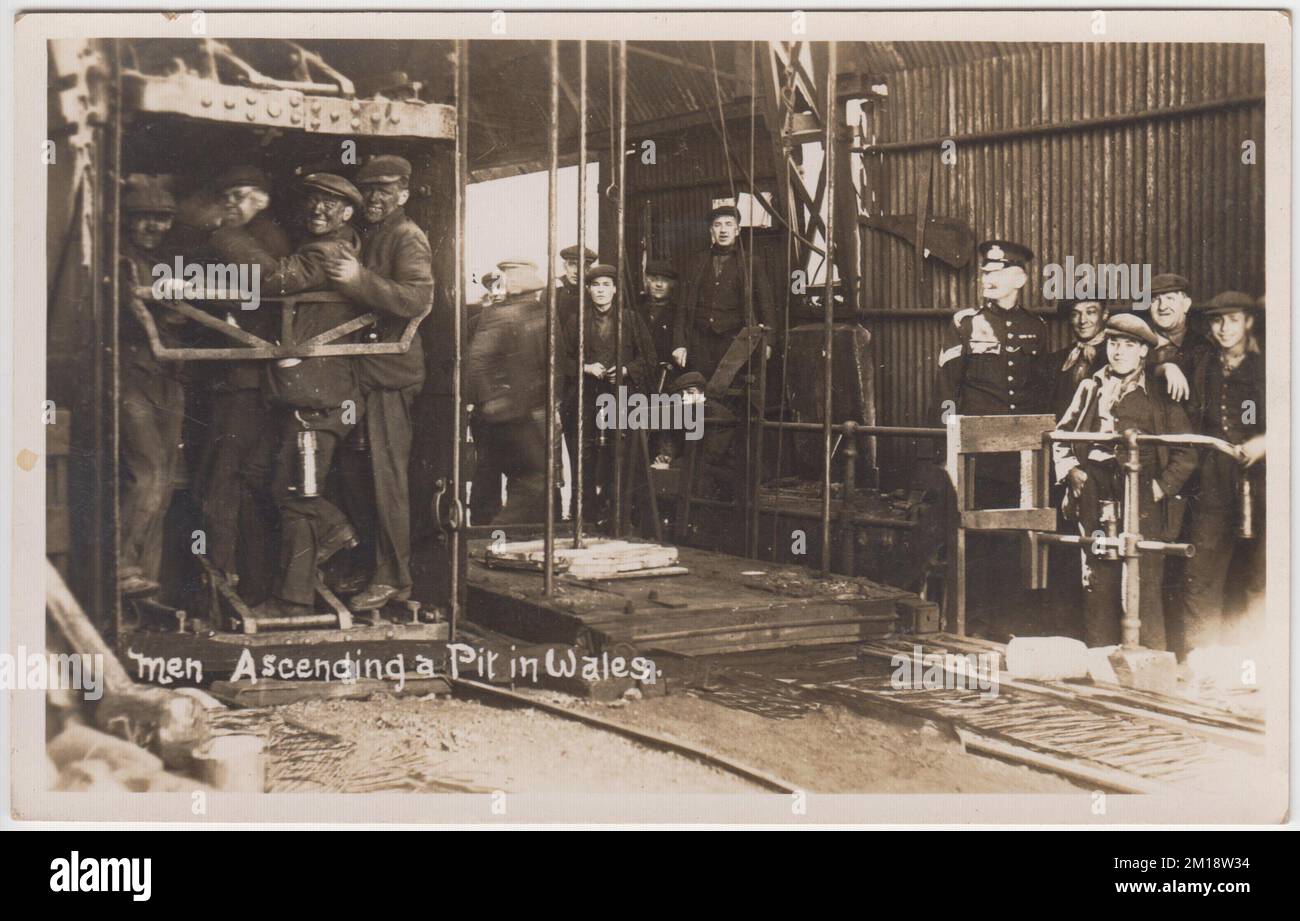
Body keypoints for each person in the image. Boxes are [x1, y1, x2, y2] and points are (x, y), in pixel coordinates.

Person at [209, 173, 369, 620]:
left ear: (348, 213)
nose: (318, 209)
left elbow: (275, 280)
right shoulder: (327, 245)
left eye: (331, 204)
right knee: (263, 471)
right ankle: (335, 527)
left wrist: (226, 233)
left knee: (298, 493)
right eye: (314, 201)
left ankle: (294, 600)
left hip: (319, 396)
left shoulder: (326, 251)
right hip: (303, 394)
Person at [324, 155, 434, 613]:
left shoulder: (407, 236)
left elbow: (417, 297)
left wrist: (358, 279)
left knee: (386, 478)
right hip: (361, 371)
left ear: (403, 195)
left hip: (390, 373)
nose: (373, 198)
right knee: (351, 473)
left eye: (384, 191)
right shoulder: (373, 233)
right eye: (367, 190)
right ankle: (369, 562)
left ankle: (394, 577)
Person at [1053, 313, 1198, 649]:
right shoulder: (1089, 388)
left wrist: (1161, 487)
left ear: (1143, 352)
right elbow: (1061, 434)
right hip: (1095, 491)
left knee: (1144, 580)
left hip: (1143, 496)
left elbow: (1187, 451)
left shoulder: (1160, 394)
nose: (1119, 352)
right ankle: (1101, 662)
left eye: (1129, 345)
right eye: (1114, 344)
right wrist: (1072, 469)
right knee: (1099, 577)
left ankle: (1149, 665)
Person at [188, 165, 291, 603]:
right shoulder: (249, 235)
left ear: (262, 200)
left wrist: (219, 240)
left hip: (247, 381)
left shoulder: (264, 236)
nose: (231, 204)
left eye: (241, 195)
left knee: (223, 479)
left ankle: (222, 579)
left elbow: (264, 282)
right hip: (238, 378)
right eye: (226, 195)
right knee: (233, 479)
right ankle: (244, 582)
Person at [1179, 291, 1266, 655]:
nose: (1223, 328)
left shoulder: (1272, 364)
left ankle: (1262, 658)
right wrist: (1165, 366)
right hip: (1214, 476)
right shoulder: (1202, 362)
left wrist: (1269, 442)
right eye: (1217, 320)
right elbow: (1156, 355)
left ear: (1248, 322)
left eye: (1232, 319)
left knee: (1263, 572)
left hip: (1265, 478)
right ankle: (1201, 657)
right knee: (1202, 570)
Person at [117, 179, 186, 597]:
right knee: (148, 476)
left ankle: (147, 582)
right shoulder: (120, 262)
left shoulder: (163, 262)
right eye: (144, 218)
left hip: (166, 377)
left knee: (163, 481)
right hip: (132, 376)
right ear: (128, 220)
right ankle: (122, 567)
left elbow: (178, 317)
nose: (152, 226)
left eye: (161, 219)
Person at [466, 260, 557, 525]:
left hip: (512, 412)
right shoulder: (508, 317)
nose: (535, 299)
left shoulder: (522, 316)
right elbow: (477, 361)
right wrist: (494, 399)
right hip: (507, 414)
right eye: (532, 294)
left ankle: (495, 536)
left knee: (517, 473)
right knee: (536, 475)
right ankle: (501, 531)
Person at [573, 263, 657, 528]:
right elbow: (561, 359)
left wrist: (624, 369)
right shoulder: (577, 321)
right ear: (587, 290)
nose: (600, 291)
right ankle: (586, 517)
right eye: (595, 285)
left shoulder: (630, 320)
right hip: (587, 397)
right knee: (585, 457)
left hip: (621, 397)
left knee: (621, 455)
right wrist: (585, 367)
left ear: (615, 290)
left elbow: (650, 359)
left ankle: (620, 516)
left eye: (606, 285)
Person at [672, 204, 775, 382]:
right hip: (699, 343)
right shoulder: (696, 262)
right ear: (711, 230)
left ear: (737, 230)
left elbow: (766, 305)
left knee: (731, 393)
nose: (723, 230)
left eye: (728, 224)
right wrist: (679, 344)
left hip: (735, 342)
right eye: (718, 225)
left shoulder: (751, 262)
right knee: (699, 390)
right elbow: (682, 307)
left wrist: (769, 343)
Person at [557, 244, 598, 518]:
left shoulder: (593, 296)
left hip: (581, 382)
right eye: (572, 265)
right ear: (565, 267)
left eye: (583, 266)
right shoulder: (554, 296)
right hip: (556, 380)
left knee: (581, 447)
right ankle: (553, 511)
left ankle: (579, 509)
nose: (576, 270)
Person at [1141, 273, 1207, 402]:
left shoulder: (1204, 347)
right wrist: (1163, 368)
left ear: (1186, 305)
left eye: (1170, 298)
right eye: (1155, 300)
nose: (1162, 306)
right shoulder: (1136, 342)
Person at [1048, 299, 1110, 420]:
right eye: (1075, 314)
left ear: (1105, 314)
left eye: (1091, 312)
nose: (1082, 321)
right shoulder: (1056, 359)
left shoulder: (1118, 356)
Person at [639, 259, 679, 387]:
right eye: (654, 279)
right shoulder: (637, 309)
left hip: (666, 378)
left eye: (665, 280)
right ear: (647, 281)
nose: (659, 285)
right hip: (639, 375)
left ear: (672, 284)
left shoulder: (677, 313)